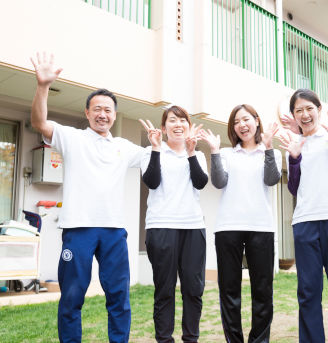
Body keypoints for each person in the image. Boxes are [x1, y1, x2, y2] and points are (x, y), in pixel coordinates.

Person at [30, 52, 160, 343]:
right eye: (97, 109)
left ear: (114, 115)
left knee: (119, 298)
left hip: (114, 231)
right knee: (72, 299)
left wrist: (160, 145)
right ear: (87, 113)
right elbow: (39, 122)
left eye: (108, 110)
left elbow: (156, 166)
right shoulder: (72, 138)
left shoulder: (125, 148)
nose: (103, 114)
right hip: (78, 229)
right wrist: (43, 86)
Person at [278, 89, 328, 343]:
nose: (304, 114)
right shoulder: (294, 143)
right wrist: (294, 158)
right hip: (305, 223)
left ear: (319, 110)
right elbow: (293, 187)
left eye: (309, 108)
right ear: (294, 115)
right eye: (298, 110)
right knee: (309, 293)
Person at [199, 104, 281, 343]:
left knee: (262, 291)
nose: (242, 125)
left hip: (261, 228)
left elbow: (272, 179)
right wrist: (214, 151)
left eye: (246, 119)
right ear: (232, 128)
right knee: (229, 290)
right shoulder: (225, 154)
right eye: (236, 122)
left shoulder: (272, 152)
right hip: (228, 228)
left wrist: (268, 148)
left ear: (256, 121)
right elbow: (218, 182)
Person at [140, 106, 208, 343]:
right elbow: (152, 181)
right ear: (163, 127)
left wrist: (190, 152)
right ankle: (164, 339)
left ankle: (191, 339)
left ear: (188, 127)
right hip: (161, 226)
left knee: (193, 290)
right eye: (172, 120)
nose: (178, 124)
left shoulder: (197, 156)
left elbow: (200, 183)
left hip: (193, 227)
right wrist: (157, 148)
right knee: (165, 290)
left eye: (183, 121)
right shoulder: (150, 152)